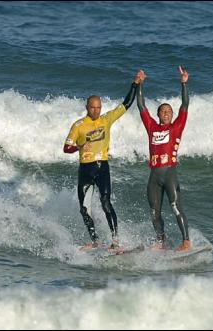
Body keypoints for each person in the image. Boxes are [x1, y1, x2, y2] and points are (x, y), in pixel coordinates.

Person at [63, 74, 140, 250]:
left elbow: (126, 104)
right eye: (93, 107)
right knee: (84, 209)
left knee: (106, 202)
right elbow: (66, 148)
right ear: (87, 107)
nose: (96, 111)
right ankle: (95, 241)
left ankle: (115, 241)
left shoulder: (106, 119)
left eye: (99, 107)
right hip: (85, 169)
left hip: (101, 167)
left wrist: (135, 84)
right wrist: (80, 146)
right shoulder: (78, 125)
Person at [136, 66, 191, 252]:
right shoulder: (152, 127)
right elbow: (141, 106)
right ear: (158, 115)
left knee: (175, 206)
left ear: (173, 116)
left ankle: (186, 242)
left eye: (169, 111)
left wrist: (184, 84)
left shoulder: (177, 127)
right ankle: (161, 241)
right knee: (154, 212)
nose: (166, 113)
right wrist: (140, 84)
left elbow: (184, 105)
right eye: (163, 111)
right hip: (154, 176)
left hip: (169, 172)